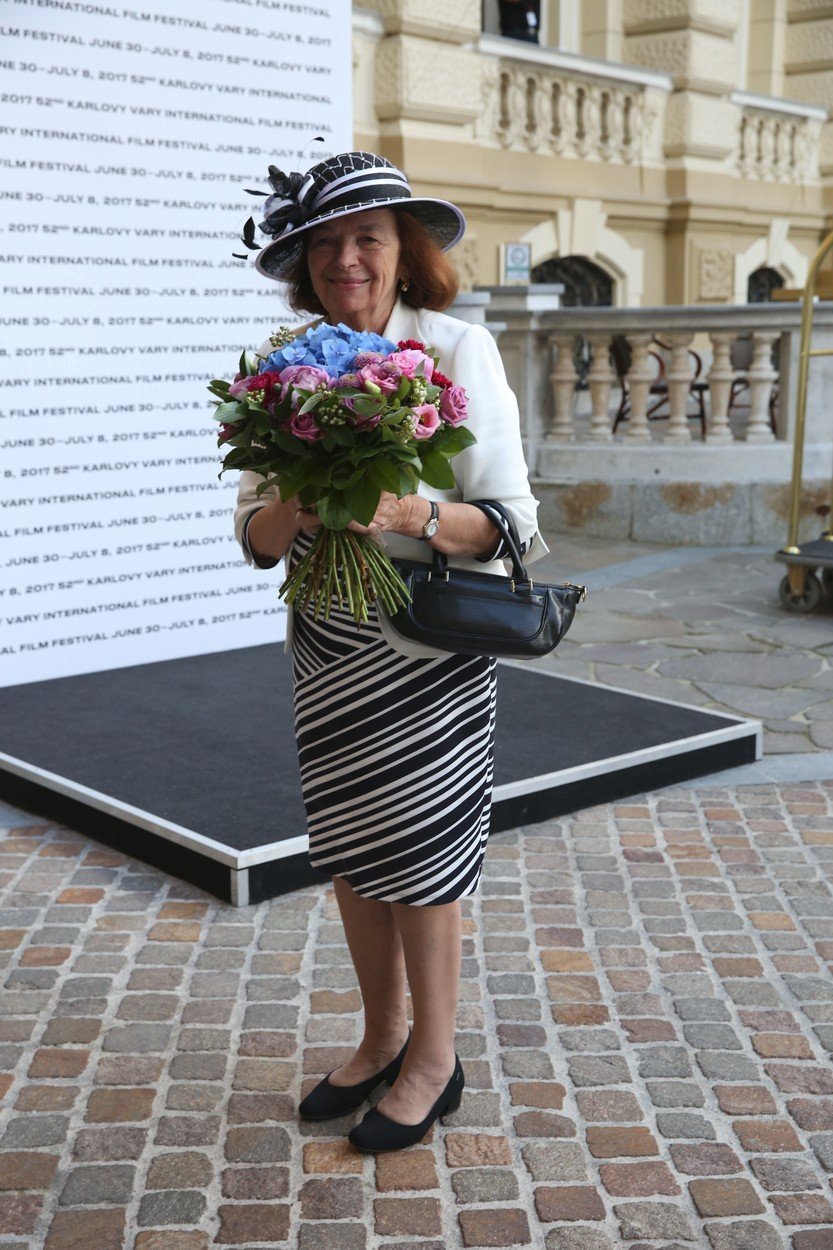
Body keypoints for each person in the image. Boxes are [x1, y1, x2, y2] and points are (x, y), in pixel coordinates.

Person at [232, 150, 546, 1152]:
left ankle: (434, 1058)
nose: (344, 260)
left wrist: (405, 506)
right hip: (329, 644)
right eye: (323, 243)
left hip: (428, 646)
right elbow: (254, 538)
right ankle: (378, 1035)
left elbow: (514, 527)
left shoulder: (457, 351)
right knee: (354, 853)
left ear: (404, 252)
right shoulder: (283, 363)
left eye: (364, 238)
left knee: (423, 853)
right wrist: (297, 492)